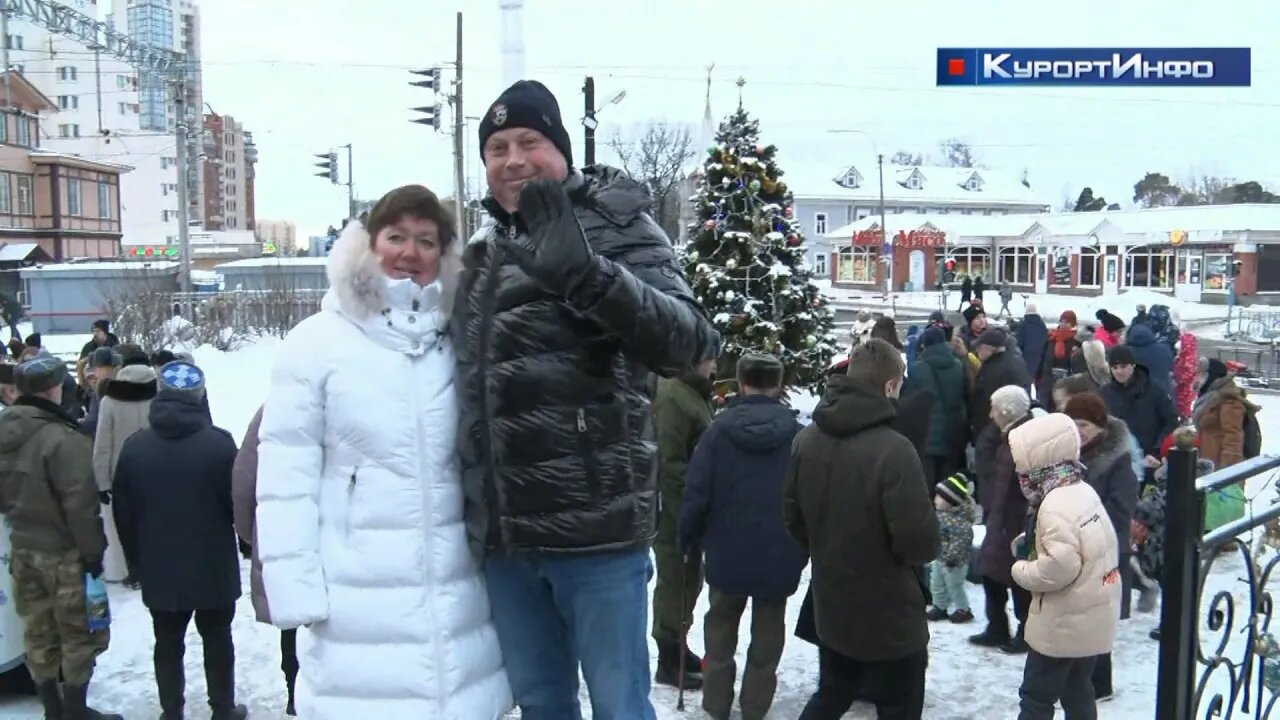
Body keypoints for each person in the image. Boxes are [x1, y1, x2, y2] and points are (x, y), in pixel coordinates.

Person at [454, 80, 715, 719]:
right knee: (542, 705)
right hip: (509, 542)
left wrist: (590, 278)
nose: (512, 159)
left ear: (561, 150)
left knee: (619, 706)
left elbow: (692, 345)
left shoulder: (618, 223)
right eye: (496, 148)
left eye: (529, 142)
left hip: (597, 536)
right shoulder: (483, 255)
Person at [256, 185, 511, 718]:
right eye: (395, 236)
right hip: (357, 599)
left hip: (459, 593)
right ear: (368, 245)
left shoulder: (463, 339)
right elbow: (285, 477)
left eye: (425, 240)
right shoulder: (316, 343)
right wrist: (295, 589)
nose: (409, 252)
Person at [785, 338, 939, 720]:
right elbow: (919, 543)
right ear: (889, 386)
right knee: (898, 706)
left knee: (833, 693)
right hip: (891, 614)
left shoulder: (807, 438)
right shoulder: (894, 450)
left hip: (833, 602)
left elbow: (793, 517)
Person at [111, 361, 248, 720]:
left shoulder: (135, 447)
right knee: (218, 639)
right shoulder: (219, 444)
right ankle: (222, 708)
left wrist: (135, 562)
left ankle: (171, 711)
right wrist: (246, 544)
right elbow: (237, 504)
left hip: (160, 566)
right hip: (212, 564)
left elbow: (123, 512)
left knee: (167, 643)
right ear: (200, 396)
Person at [679, 353, 805, 720]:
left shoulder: (717, 432)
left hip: (725, 548)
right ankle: (755, 706)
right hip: (779, 549)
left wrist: (686, 537)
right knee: (768, 633)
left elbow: (696, 491)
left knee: (719, 628)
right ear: (778, 385)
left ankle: (716, 704)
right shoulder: (796, 435)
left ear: (740, 381)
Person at [0, 356, 122, 719]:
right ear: (55, 388)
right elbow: (80, 506)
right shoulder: (62, 438)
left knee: (38, 631)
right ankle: (75, 710)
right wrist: (92, 556)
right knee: (82, 633)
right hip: (65, 553)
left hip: (23, 548)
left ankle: (53, 709)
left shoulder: (5, 429)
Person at [1009, 413, 1121, 720]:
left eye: (1021, 460)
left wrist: (1021, 570)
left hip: (1063, 622)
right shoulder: (1078, 488)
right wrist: (1031, 539)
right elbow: (1080, 543)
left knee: (1036, 696)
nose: (1018, 468)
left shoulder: (1054, 504)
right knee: (1076, 688)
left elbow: (1059, 567)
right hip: (1091, 614)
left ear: (1039, 459)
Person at [1062, 392, 1140, 701]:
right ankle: (1078, 679)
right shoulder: (1066, 455)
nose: (1078, 431)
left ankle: (1098, 684)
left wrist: (1079, 521)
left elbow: (1120, 510)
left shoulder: (1117, 463)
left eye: (1084, 425)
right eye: (1073, 424)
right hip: (1070, 547)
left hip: (1103, 550)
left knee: (1095, 618)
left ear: (1099, 427)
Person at [651, 341, 718, 689]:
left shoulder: (695, 394)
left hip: (692, 504)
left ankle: (678, 641)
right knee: (676, 577)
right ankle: (668, 655)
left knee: (691, 577)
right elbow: (670, 463)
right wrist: (684, 514)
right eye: (711, 358)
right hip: (674, 507)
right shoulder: (675, 397)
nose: (715, 365)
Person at [231, 405, 299, 716]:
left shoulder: (274, 408)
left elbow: (244, 481)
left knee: (295, 619)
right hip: (348, 544)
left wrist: (252, 536)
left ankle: (295, 690)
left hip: (290, 536)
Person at [972, 385, 1037, 654]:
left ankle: (1027, 633)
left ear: (1007, 411)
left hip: (1016, 521)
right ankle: (997, 626)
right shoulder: (1006, 436)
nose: (990, 414)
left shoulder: (1025, 439)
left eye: (995, 408)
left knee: (1020, 579)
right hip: (999, 517)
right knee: (990, 572)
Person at [91, 353, 157, 586]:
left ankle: (127, 571)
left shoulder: (110, 401)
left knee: (122, 526)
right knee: (152, 522)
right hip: (154, 469)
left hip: (119, 472)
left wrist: (101, 482)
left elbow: (102, 445)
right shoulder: (158, 396)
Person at [1098, 345, 1177, 490]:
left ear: (1133, 365)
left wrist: (1157, 450)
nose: (1119, 371)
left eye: (1123, 366)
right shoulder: (1105, 393)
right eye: (1114, 368)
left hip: (1149, 458)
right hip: (1119, 460)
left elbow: (1170, 420)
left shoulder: (1154, 389)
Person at [903, 326, 968, 486]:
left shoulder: (917, 370)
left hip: (927, 437)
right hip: (954, 435)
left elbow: (908, 403)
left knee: (927, 485)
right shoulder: (958, 366)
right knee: (949, 487)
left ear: (924, 345)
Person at [927, 472, 978, 623]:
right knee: (936, 583)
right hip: (939, 557)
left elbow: (960, 542)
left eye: (939, 497)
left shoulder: (960, 521)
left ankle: (963, 609)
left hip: (955, 563)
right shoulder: (940, 515)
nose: (935, 499)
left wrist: (952, 558)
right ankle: (939, 606)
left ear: (951, 501)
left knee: (954, 586)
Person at [970, 328, 1032, 441]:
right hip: (1016, 422)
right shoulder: (1017, 361)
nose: (977, 351)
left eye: (979, 347)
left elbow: (986, 402)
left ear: (989, 349)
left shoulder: (993, 369)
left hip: (996, 428)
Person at [1039, 311, 1081, 403]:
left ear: (1073, 324)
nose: (1063, 324)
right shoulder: (1051, 338)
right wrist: (1038, 377)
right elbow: (1042, 358)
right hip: (1047, 382)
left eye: (1067, 322)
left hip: (1067, 384)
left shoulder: (1077, 341)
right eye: (1062, 321)